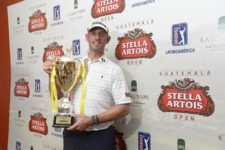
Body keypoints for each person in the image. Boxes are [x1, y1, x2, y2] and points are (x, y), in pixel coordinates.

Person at [43, 21, 132, 150]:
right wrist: (51, 75)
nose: (97, 37)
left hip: (100, 136)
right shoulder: (73, 65)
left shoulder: (114, 70)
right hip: (72, 133)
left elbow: (124, 108)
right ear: (86, 37)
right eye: (93, 33)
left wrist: (91, 120)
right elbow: (56, 95)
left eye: (102, 34)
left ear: (108, 39)